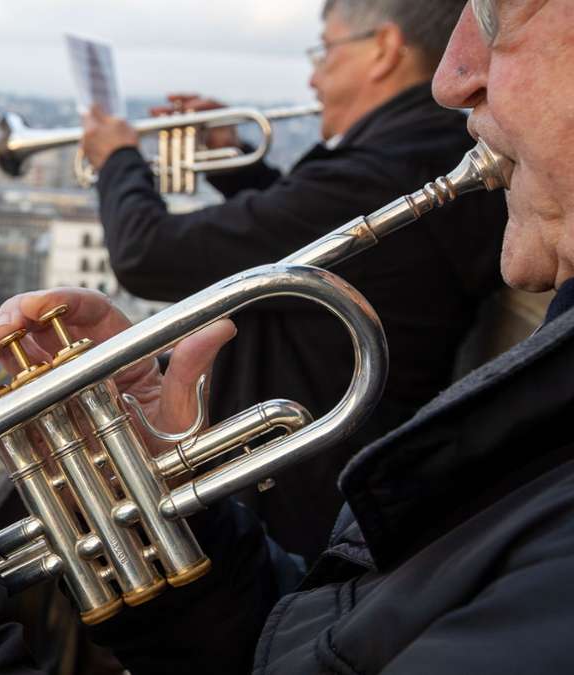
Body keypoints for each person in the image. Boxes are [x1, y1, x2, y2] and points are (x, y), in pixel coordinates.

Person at [0, 1, 574, 673]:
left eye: (505, 11)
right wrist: (156, 518)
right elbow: (321, 645)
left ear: (381, 48)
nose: (455, 75)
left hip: (303, 494)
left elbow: (149, 253)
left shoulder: (397, 158)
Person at [80, 0, 508, 560]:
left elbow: (146, 253)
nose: (312, 74)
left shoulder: (380, 174)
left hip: (292, 505)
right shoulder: (405, 156)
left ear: (382, 49)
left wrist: (117, 160)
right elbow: (305, 236)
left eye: (325, 50)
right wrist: (237, 162)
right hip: (313, 482)